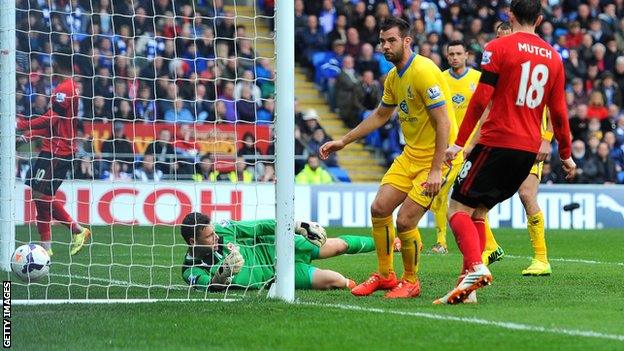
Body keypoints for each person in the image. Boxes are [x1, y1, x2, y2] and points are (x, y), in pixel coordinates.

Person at [438, 0, 575, 305]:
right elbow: (560, 112)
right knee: (477, 212)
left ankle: (475, 267)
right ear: (539, 19)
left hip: (497, 141)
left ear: (510, 16)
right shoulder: (554, 57)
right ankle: (467, 289)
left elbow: (480, 100)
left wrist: (460, 142)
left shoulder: (498, 47)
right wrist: (565, 153)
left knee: (456, 209)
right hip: (527, 153)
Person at [320, 17, 460, 299]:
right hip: (411, 155)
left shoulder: (423, 71)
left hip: (438, 159)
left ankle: (411, 281)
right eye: (382, 41)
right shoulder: (395, 77)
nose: (385, 46)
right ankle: (385, 276)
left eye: (391, 40)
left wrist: (435, 171)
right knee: (380, 208)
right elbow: (382, 114)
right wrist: (344, 141)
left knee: (406, 220)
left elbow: (443, 123)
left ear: (407, 41)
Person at [180, 212, 376, 291]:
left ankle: (388, 243)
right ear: (193, 241)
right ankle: (361, 287)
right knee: (336, 281)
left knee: (339, 246)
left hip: (276, 246)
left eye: (214, 233)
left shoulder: (224, 229)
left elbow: (261, 226)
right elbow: (209, 287)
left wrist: (297, 225)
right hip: (276, 276)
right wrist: (223, 275)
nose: (215, 237)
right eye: (209, 236)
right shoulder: (190, 270)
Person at [16, 53, 91, 256]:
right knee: (38, 195)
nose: (49, 70)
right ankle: (46, 248)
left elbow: (51, 118)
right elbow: (56, 123)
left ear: (58, 65)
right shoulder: (67, 88)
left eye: (52, 66)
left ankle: (77, 229)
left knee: (41, 195)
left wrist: (21, 126)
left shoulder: (64, 89)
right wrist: (28, 135)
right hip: (52, 148)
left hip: (58, 151)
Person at [429, 40, 482, 255]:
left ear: (467, 55)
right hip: (450, 148)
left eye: (458, 53)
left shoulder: (477, 79)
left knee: (476, 198)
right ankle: (441, 241)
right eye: (451, 53)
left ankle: (485, 246)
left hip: (474, 146)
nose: (454, 57)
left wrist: (473, 143)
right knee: (440, 192)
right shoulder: (440, 79)